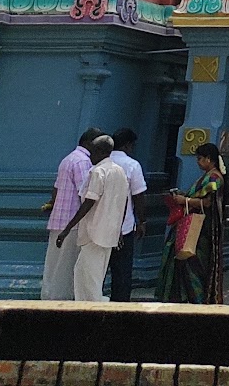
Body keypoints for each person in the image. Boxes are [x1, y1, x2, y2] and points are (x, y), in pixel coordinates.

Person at [55, 135, 130, 304]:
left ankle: (92, 308)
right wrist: (118, 229)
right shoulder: (119, 172)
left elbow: (89, 202)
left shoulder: (98, 172)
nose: (90, 155)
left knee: (88, 276)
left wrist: (67, 229)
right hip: (109, 233)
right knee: (93, 273)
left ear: (101, 152)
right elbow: (123, 203)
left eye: (93, 151)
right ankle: (91, 305)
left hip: (94, 232)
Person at [157, 142, 227, 304]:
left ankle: (198, 298)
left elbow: (208, 203)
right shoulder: (206, 176)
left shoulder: (214, 178)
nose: (198, 162)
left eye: (200, 158)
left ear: (209, 159)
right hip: (193, 224)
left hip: (201, 228)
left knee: (194, 263)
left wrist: (185, 200)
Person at [40, 127, 105, 300]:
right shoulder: (83, 162)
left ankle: (49, 299)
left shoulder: (68, 159)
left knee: (54, 266)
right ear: (89, 143)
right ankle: (62, 302)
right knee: (67, 267)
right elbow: (86, 194)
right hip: (73, 224)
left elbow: (56, 189)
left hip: (59, 220)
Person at [106, 129, 149, 302]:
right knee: (122, 271)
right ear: (128, 145)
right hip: (123, 228)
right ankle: (120, 304)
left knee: (96, 270)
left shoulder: (100, 163)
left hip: (98, 226)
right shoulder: (132, 165)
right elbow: (138, 196)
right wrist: (142, 221)